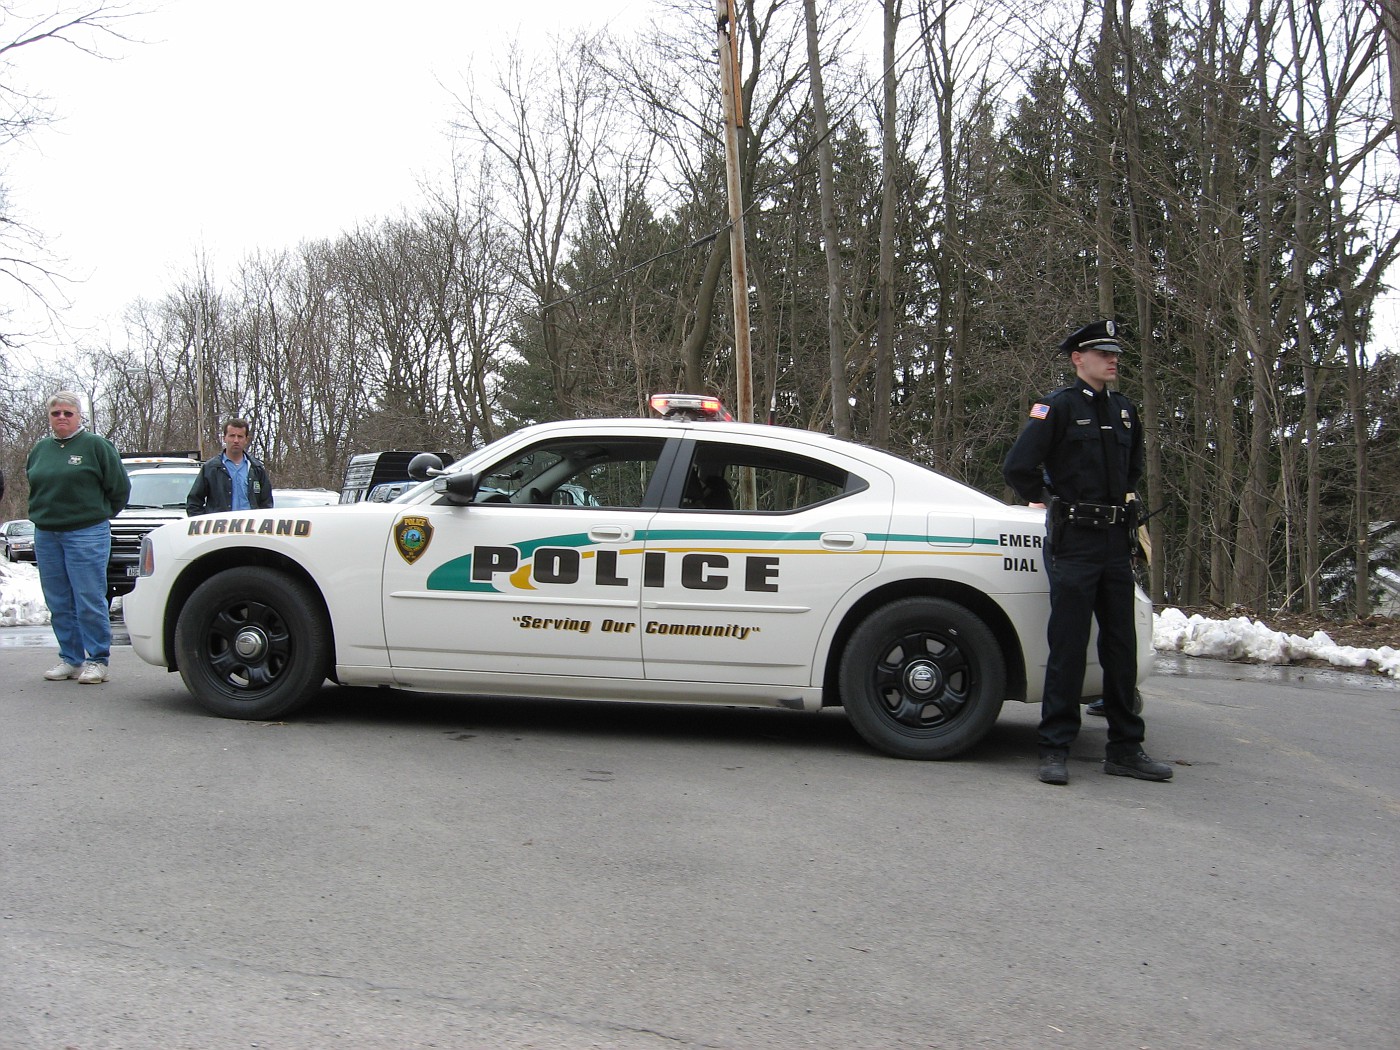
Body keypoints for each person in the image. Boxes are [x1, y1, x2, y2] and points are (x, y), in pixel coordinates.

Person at [1003, 320, 1173, 785]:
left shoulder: (1125, 411)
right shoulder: (1057, 407)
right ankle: (1054, 747)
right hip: (1074, 541)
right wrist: (1049, 499)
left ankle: (1125, 749)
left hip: (1115, 542)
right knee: (1069, 646)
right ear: (1079, 359)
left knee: (1121, 647)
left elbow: (1132, 469)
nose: (1113, 360)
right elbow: (1018, 466)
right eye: (1103, 353)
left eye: (1115, 353)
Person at [26, 391, 131, 685]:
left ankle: (98, 660)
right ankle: (71, 658)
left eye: (67, 413)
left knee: (88, 598)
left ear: (78, 416)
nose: (61, 417)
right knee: (58, 600)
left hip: (86, 532)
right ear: (49, 417)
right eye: (56, 413)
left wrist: (97, 514)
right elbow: (34, 484)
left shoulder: (96, 446)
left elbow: (119, 488)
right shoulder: (40, 449)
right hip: (47, 533)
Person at [186, 417, 274, 516]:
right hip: (220, 525)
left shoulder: (256, 469)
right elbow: (194, 503)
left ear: (246, 439)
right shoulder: (211, 468)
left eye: (240, 436)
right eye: (232, 436)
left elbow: (267, 504)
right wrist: (204, 523)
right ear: (224, 438)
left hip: (250, 525)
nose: (236, 440)